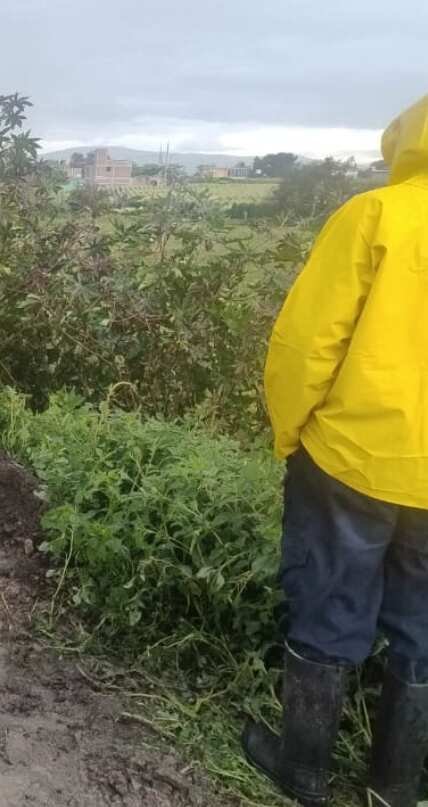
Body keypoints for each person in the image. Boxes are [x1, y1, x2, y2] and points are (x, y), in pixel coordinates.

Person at [241, 94, 428, 807]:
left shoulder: (375, 215)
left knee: (332, 605)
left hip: (352, 459)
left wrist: (289, 431)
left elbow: (305, 343)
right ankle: (396, 788)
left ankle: (304, 770)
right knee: (423, 626)